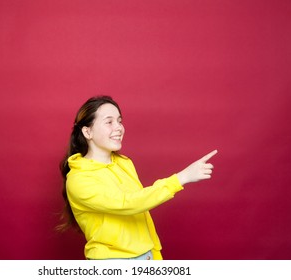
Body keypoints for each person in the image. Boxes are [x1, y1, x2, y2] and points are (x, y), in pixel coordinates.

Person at [58, 95, 217, 260]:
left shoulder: (124, 163)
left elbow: (142, 211)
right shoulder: (79, 179)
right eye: (109, 122)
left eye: (120, 121)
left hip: (146, 256)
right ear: (87, 131)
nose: (118, 127)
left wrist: (154, 253)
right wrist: (181, 178)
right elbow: (128, 203)